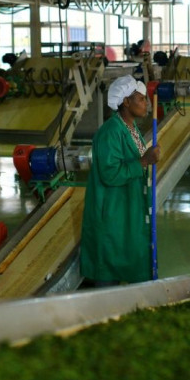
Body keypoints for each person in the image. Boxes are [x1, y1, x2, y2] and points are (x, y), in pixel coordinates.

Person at [80, 75, 161, 286]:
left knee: (128, 252)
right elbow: (110, 173)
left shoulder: (131, 129)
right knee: (109, 261)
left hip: (127, 206)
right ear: (126, 101)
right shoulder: (110, 132)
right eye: (141, 99)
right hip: (112, 210)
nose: (146, 104)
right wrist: (144, 161)